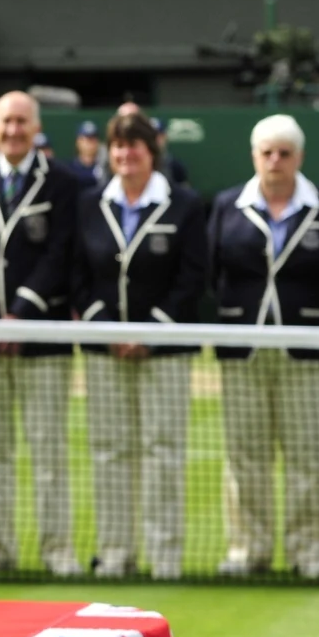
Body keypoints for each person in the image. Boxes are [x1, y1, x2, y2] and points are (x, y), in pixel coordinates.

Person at [0, 89, 80, 575]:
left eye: (22, 122)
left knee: (48, 451)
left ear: (36, 126)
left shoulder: (64, 183)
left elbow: (60, 253)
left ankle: (57, 551)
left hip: (41, 340)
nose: (12, 131)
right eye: (5, 122)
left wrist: (23, 311)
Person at [72, 110, 206, 579]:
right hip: (104, 351)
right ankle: (115, 554)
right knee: (109, 450)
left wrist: (150, 331)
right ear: (109, 153)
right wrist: (108, 330)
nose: (126, 154)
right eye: (119, 146)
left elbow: (192, 277)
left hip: (164, 350)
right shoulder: (90, 203)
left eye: (136, 146)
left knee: (163, 449)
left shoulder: (185, 205)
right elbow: (78, 277)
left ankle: (165, 557)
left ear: (153, 153)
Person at [208, 114, 319, 579]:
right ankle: (247, 551)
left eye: (284, 153)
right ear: (254, 156)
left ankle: (311, 553)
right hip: (244, 349)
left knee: (307, 456)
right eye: (267, 153)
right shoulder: (226, 206)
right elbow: (215, 273)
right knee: (245, 456)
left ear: (299, 157)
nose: (275, 161)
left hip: (308, 350)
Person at [68, 119, 107, 186]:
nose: (91, 143)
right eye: (87, 138)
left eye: (94, 138)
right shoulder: (69, 169)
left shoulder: (105, 168)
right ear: (78, 141)